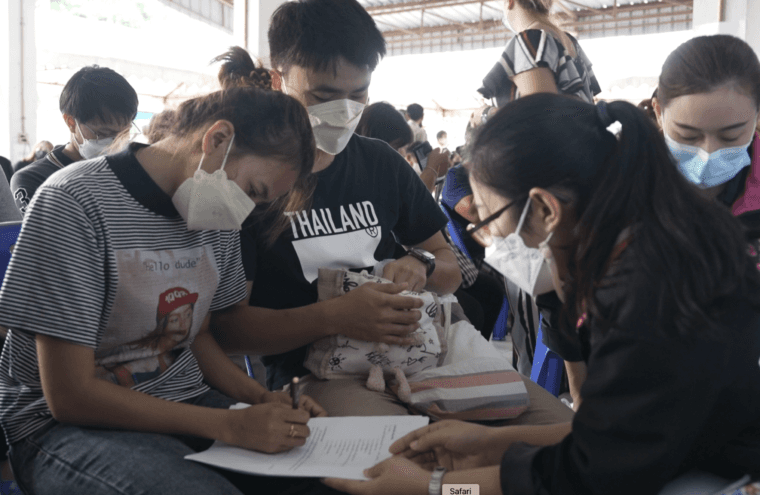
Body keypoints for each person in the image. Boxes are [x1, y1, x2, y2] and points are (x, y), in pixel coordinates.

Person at [324, 93, 760, 495]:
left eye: (489, 219)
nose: (488, 238)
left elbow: (592, 475)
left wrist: (437, 488)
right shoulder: (644, 250)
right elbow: (617, 431)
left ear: (547, 210)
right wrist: (494, 443)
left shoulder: (644, 297)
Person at [212, 0, 571, 428]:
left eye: (358, 94)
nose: (344, 112)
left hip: (425, 351)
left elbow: (447, 265)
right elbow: (228, 329)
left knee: (557, 435)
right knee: (406, 457)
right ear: (278, 79)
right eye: (322, 96)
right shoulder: (250, 180)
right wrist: (334, 316)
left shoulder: (379, 163)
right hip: (317, 373)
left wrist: (417, 265)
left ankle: (466, 490)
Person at [0, 72, 334, 494]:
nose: (244, 211)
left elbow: (199, 334)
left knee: (325, 480)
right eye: (252, 189)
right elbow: (69, 396)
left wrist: (259, 398)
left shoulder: (216, 217)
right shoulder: (74, 202)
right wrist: (229, 424)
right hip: (60, 427)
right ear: (216, 140)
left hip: (183, 399)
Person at [10, 66, 138, 215]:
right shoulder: (33, 179)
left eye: (124, 133)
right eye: (104, 133)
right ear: (71, 122)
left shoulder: (129, 171)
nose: (115, 142)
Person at [472, 0, 601, 127]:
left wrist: (487, 114)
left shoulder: (531, 41)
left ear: (510, 2)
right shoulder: (570, 41)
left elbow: (540, 114)